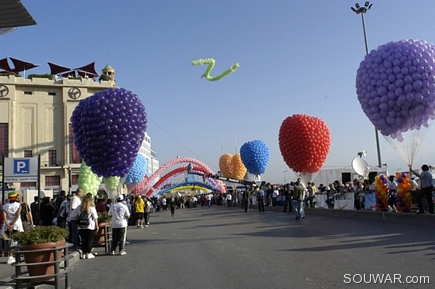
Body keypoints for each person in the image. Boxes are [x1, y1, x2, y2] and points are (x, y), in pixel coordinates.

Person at [69, 193, 98, 259]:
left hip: (81, 226)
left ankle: (84, 253)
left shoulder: (79, 208)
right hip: (90, 226)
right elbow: (95, 217)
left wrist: (78, 218)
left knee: (83, 240)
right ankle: (89, 253)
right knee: (89, 240)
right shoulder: (92, 208)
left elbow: (72, 215)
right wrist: (97, 226)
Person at [1, 192, 24, 264]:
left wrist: (8, 225)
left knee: (9, 241)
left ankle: (10, 257)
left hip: (6, 225)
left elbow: (4, 217)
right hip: (17, 225)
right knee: (18, 240)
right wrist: (13, 224)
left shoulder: (4, 206)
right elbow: (17, 216)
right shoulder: (18, 205)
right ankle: (18, 256)